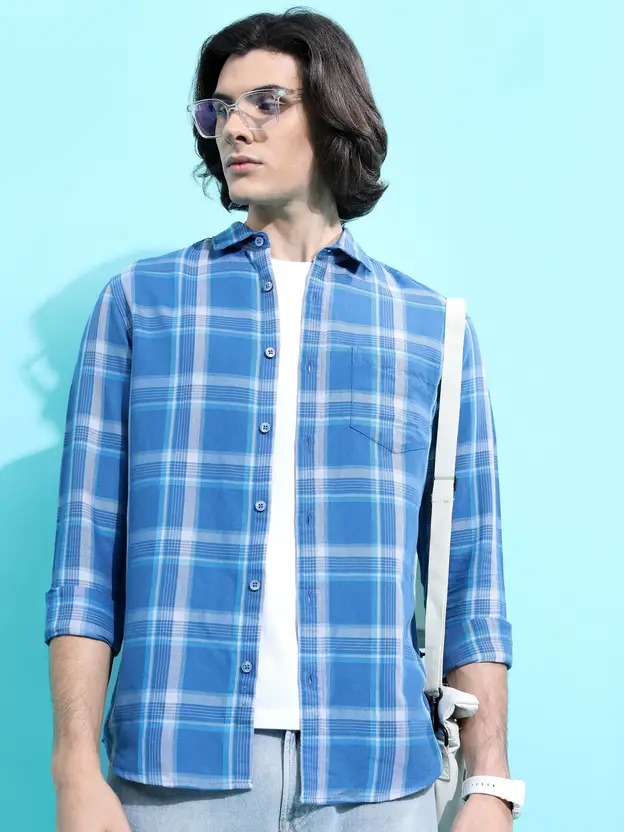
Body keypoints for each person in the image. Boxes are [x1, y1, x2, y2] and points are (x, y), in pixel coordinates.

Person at [45, 9, 520, 832]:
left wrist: (491, 780)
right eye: (219, 109)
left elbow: (472, 576)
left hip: (378, 777)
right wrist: (74, 773)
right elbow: (85, 566)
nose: (235, 127)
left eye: (266, 102)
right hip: (175, 771)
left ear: (336, 113)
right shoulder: (143, 306)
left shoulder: (429, 327)